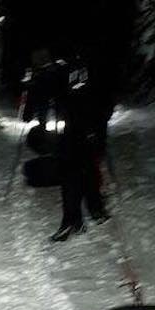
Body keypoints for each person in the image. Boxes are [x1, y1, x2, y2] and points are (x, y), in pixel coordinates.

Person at [50, 57, 111, 242]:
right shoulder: (64, 69)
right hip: (72, 131)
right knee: (77, 173)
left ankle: (85, 214)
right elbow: (60, 98)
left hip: (89, 130)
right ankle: (81, 216)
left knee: (83, 172)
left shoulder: (93, 69)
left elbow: (104, 100)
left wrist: (96, 127)